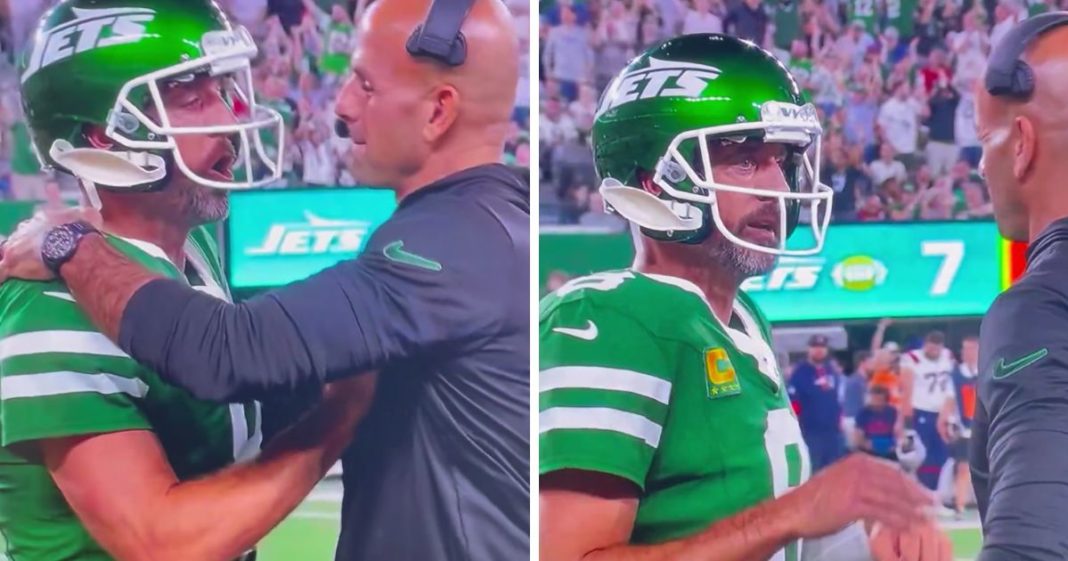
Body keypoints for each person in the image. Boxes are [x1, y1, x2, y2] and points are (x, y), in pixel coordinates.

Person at [0, 0, 530, 560]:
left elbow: (234, 355)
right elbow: (162, 544)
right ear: (106, 136)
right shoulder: (54, 302)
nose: (232, 113)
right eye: (193, 98)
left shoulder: (186, 257)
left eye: (225, 87)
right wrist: (340, 413)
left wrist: (70, 245)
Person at [539, 34, 950, 561]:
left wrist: (861, 540)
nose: (779, 186)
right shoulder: (605, 318)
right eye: (745, 160)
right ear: (655, 182)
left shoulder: (741, 318)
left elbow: (756, 535)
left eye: (782, 160)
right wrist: (793, 513)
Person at [970, 14, 1068, 559]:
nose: (983, 163)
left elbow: (1031, 545)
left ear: (1022, 144)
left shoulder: (1040, 308)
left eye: (987, 139)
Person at [898, 331, 955, 490]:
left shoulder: (948, 356)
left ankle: (937, 495)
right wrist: (906, 423)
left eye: (937, 347)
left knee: (942, 456)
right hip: (920, 412)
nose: (934, 350)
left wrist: (949, 413)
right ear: (925, 344)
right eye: (930, 346)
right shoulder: (912, 358)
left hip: (943, 414)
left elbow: (952, 387)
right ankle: (922, 494)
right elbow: (906, 391)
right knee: (921, 456)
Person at [788, 334, 846, 472]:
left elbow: (838, 399)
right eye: (815, 347)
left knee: (834, 472)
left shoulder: (831, 370)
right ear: (809, 349)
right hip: (811, 432)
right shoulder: (800, 372)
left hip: (833, 433)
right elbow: (794, 402)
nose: (819, 350)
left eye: (822, 347)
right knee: (814, 471)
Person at [937, 335, 978, 518]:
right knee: (963, 468)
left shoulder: (990, 370)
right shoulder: (955, 376)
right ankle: (959, 507)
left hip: (989, 429)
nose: (966, 353)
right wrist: (943, 420)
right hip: (966, 430)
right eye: (964, 348)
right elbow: (949, 401)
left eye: (971, 348)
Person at [854, 386, 900, 461]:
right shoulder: (863, 413)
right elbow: (857, 438)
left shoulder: (893, 412)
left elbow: (899, 433)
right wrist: (868, 445)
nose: (875, 402)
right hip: (869, 450)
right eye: (873, 399)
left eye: (879, 400)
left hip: (889, 450)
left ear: (885, 401)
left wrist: (895, 447)